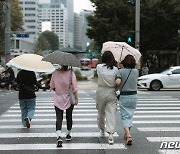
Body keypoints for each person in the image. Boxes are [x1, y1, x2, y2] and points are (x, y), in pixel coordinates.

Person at [50, 65, 78, 147]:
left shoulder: (55, 73)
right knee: (69, 117)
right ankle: (68, 134)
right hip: (69, 98)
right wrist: (76, 99)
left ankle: (59, 136)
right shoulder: (71, 74)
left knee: (59, 118)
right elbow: (75, 88)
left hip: (58, 98)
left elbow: (52, 86)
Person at [115, 55, 139, 146]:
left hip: (124, 96)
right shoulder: (136, 71)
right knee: (130, 115)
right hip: (134, 96)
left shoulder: (120, 71)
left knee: (125, 116)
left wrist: (119, 71)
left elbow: (118, 82)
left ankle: (128, 135)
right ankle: (126, 133)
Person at [96, 50, 118, 145]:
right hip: (111, 92)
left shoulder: (99, 67)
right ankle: (111, 135)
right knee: (111, 113)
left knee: (101, 112)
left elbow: (98, 75)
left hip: (101, 91)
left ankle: (102, 129)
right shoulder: (116, 69)